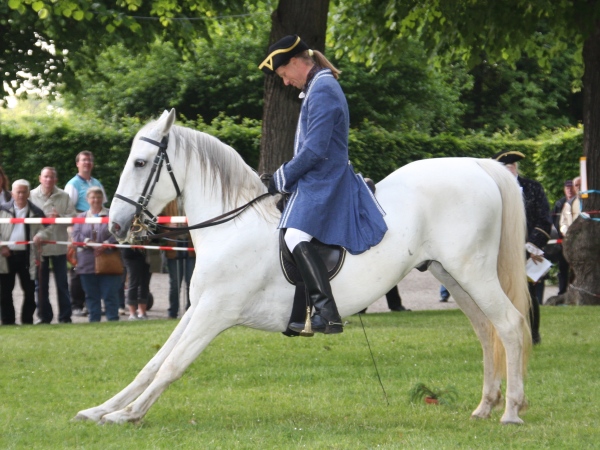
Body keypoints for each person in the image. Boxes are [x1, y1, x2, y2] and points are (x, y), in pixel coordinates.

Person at [259, 35, 388, 334]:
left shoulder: (324, 89)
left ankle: (327, 312)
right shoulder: (318, 87)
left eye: (283, 76)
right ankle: (302, 315)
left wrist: (281, 178)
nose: (286, 83)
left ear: (293, 62)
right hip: (318, 177)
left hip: (325, 178)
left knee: (294, 236)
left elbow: (315, 150)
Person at [493, 150, 552, 345]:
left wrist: (531, 247)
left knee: (528, 293)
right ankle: (505, 333)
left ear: (514, 168)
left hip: (527, 251)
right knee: (501, 292)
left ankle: (533, 335)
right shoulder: (492, 191)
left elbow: (544, 219)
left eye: (509, 168)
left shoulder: (533, 188)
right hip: (500, 250)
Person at [0, 180, 52, 325]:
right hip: (6, 257)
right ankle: (7, 321)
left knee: (29, 293)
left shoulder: (36, 211)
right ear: (12, 193)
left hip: (27, 257)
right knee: (4, 293)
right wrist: (2, 246)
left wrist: (40, 236)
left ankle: (27, 321)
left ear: (28, 193)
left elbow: (48, 229)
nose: (21, 195)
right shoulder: (2, 209)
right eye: (18, 192)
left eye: (24, 192)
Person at [30, 167, 76, 324]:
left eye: (51, 177)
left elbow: (73, 219)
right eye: (45, 177)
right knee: (40, 286)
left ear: (56, 180)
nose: (48, 180)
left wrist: (59, 217)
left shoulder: (64, 196)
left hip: (59, 247)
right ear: (40, 178)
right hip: (39, 249)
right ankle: (44, 317)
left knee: (62, 284)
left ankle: (65, 317)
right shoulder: (30, 196)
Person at [64, 151, 108, 317]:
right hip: (80, 228)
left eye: (89, 160)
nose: (87, 163)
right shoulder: (73, 184)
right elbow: (70, 210)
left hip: (99, 230)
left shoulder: (96, 182)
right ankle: (76, 304)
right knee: (78, 266)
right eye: (84, 160)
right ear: (78, 164)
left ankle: (94, 304)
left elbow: (103, 205)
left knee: (99, 265)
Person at [71, 187, 121, 322]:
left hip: (109, 261)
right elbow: (76, 235)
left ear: (103, 199)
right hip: (87, 262)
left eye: (98, 197)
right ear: (87, 200)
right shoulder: (80, 217)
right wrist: (91, 243)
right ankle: (94, 321)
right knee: (91, 295)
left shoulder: (112, 215)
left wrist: (106, 244)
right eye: (93, 197)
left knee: (110, 294)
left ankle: (113, 320)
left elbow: (118, 233)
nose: (96, 200)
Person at [162, 200, 196, 319]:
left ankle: (190, 311)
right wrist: (167, 226)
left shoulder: (193, 199)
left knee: (191, 282)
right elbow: (158, 222)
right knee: (175, 283)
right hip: (174, 245)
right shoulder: (169, 201)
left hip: (191, 244)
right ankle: (173, 312)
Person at [552, 180, 576, 295]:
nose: (569, 190)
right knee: (563, 267)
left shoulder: (578, 202)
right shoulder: (559, 203)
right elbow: (556, 221)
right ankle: (562, 292)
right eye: (567, 188)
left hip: (576, 241)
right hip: (562, 240)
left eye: (571, 188)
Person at [122, 248, 152, 320]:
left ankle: (142, 313)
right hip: (130, 254)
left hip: (146, 254)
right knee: (133, 283)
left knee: (144, 283)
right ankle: (132, 314)